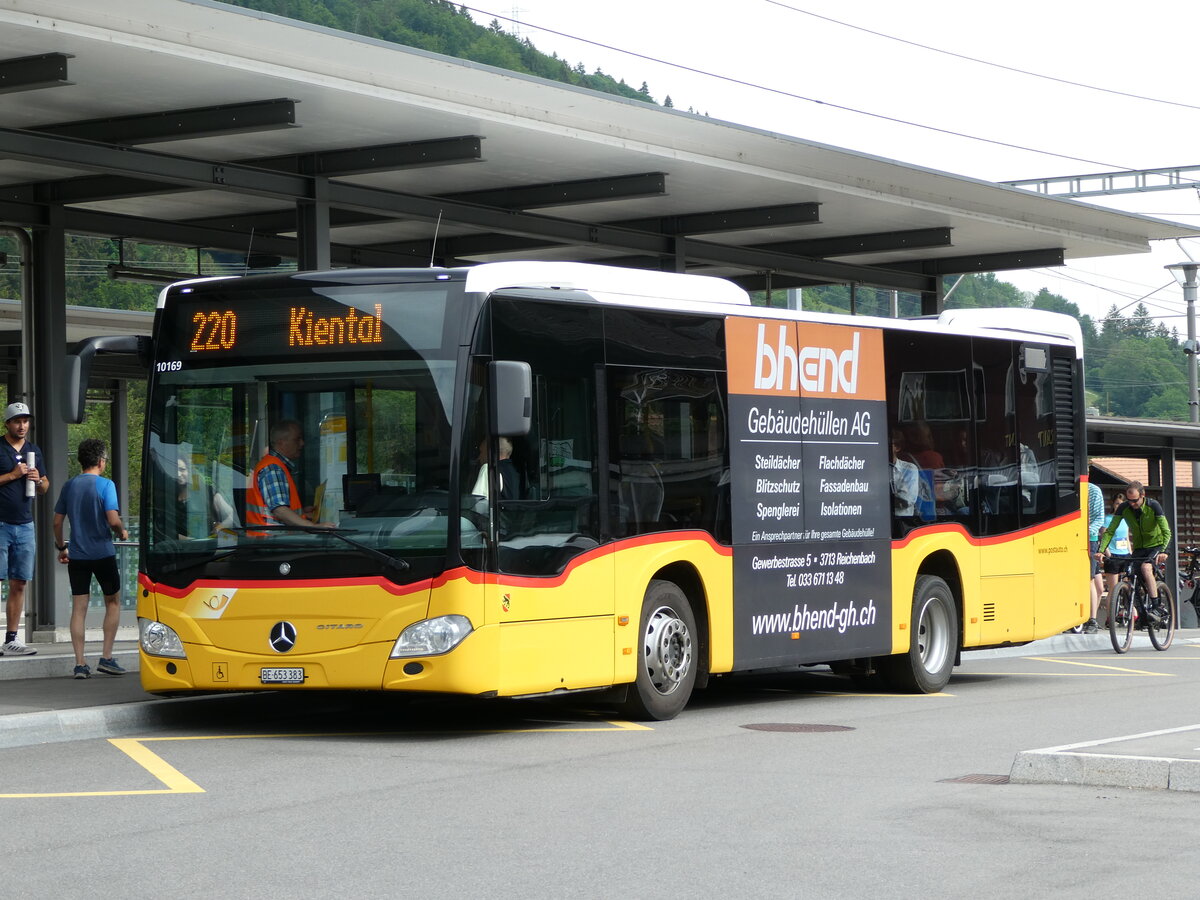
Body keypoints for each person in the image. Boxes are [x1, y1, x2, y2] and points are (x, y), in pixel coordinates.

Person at [52, 438, 128, 679]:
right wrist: (122, 532)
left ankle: (80, 664)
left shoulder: (69, 485)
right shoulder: (106, 485)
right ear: (100, 461)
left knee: (79, 608)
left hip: (78, 555)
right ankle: (106, 657)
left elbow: (57, 522)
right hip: (103, 553)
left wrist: (62, 547)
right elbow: (113, 519)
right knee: (113, 602)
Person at [0, 401, 49, 657]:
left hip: (25, 524)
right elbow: (8, 477)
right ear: (7, 423)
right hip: (1, 523)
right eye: (17, 421)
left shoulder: (34, 450)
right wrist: (13, 475)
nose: (22, 426)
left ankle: (11, 639)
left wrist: (38, 479)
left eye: (26, 421)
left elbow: (45, 487)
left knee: (20, 582)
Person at [1095, 481, 1172, 623]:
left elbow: (1166, 531)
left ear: (1143, 495)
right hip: (1139, 548)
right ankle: (1142, 616)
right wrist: (1101, 550)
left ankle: (1156, 606)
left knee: (1145, 567)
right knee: (1131, 575)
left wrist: (1164, 551)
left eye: (1135, 501)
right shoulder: (1124, 508)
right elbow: (1110, 530)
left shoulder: (1153, 505)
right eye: (1129, 500)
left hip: (1155, 545)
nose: (1132, 504)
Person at [247, 419, 334, 531]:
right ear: (281, 442)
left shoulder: (274, 465)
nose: (302, 443)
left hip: (269, 540)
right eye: (297, 439)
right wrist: (313, 527)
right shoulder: (273, 468)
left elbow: (275, 509)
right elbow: (280, 510)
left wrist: (301, 514)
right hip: (273, 542)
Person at [1083, 479, 1105, 633]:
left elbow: (1099, 518)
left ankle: (1091, 620)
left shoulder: (1093, 490)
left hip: (1089, 540)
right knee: (1099, 586)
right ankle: (1090, 619)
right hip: (1086, 539)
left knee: (1090, 580)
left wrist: (1086, 530)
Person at [472, 436, 519, 502]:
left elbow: (477, 504)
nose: (479, 457)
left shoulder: (488, 469)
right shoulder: (516, 473)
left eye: (481, 452)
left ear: (491, 453)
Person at [889, 429, 919, 517]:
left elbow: (906, 500)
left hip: (901, 522)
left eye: (887, 444)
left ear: (897, 448)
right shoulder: (875, 468)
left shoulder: (909, 469)